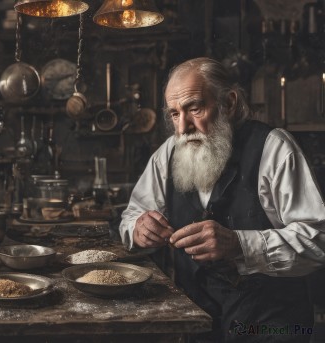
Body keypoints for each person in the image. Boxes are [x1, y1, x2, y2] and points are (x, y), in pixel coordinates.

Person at [119, 57, 325, 342]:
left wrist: (240, 245)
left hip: (270, 323)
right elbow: (131, 217)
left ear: (228, 103)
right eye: (175, 114)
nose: (183, 128)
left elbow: (317, 240)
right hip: (198, 321)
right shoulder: (168, 153)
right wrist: (139, 227)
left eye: (194, 108)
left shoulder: (274, 149)